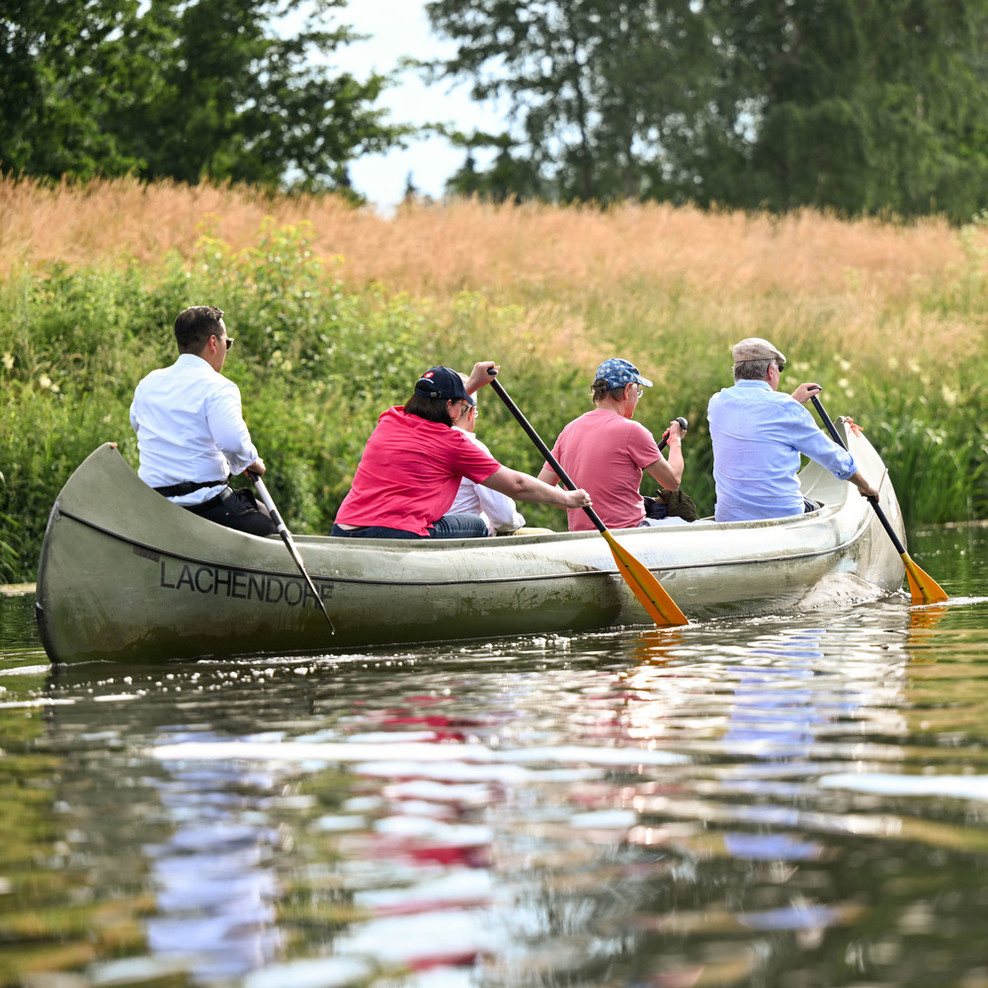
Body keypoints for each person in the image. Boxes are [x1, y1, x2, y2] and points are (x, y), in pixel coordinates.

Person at [331, 362, 591, 539]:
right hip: (398, 534)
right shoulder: (454, 443)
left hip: (343, 529)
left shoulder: (389, 420)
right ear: (450, 406)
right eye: (462, 407)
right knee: (478, 524)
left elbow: (436, 409)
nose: (462, 415)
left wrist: (472, 386)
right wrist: (568, 499)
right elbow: (517, 485)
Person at [129, 305, 276, 536]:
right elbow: (233, 444)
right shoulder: (218, 387)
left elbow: (137, 424)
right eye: (227, 343)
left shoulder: (148, 383)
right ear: (213, 343)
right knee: (270, 529)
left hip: (153, 503)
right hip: (204, 506)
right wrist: (251, 461)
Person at [706, 337, 881, 523]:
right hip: (782, 516)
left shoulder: (717, 403)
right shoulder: (786, 409)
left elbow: (756, 418)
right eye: (779, 368)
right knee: (820, 510)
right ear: (771, 371)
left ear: (737, 372)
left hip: (729, 517)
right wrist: (865, 486)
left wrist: (792, 401)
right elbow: (832, 456)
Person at [536, 357, 686, 531]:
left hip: (580, 537)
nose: (637, 399)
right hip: (626, 535)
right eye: (638, 392)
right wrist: (675, 441)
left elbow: (543, 487)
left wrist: (573, 501)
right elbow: (672, 482)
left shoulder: (569, 430)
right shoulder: (632, 431)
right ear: (628, 390)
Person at [448, 383, 526, 535]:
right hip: (456, 543)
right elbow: (504, 519)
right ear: (471, 412)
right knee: (545, 533)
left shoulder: (416, 441)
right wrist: (517, 520)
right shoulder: (472, 448)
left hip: (412, 534)